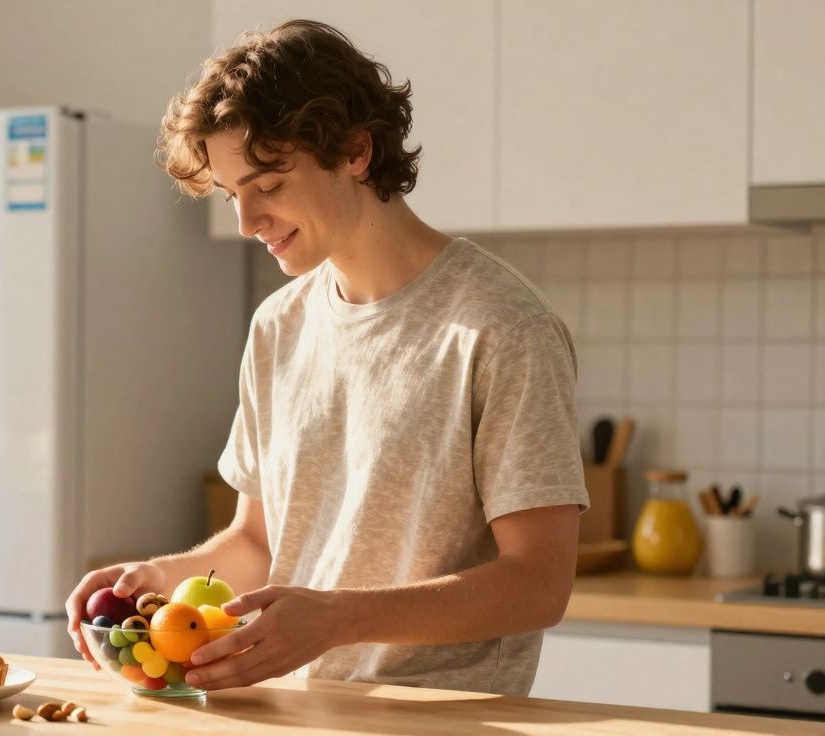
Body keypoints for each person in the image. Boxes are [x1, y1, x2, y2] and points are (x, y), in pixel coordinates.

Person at [65, 19, 588, 696]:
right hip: (299, 711)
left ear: (354, 151)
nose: (246, 221)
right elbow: (257, 542)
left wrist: (337, 620)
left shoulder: (499, 326)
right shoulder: (279, 325)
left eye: (268, 186)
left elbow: (538, 586)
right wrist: (157, 578)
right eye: (232, 195)